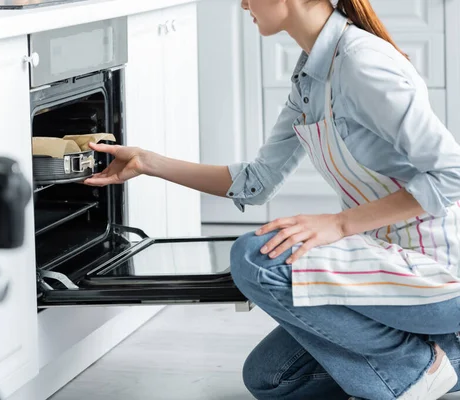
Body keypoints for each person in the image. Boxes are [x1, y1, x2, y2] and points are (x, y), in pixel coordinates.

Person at [84, 0, 460, 398]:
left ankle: (415, 369)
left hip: (438, 277)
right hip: (384, 265)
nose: (243, 3)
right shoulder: (313, 74)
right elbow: (257, 180)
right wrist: (147, 162)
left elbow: (451, 174)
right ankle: (446, 359)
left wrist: (338, 224)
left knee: (255, 257)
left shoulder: (361, 63)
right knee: (272, 378)